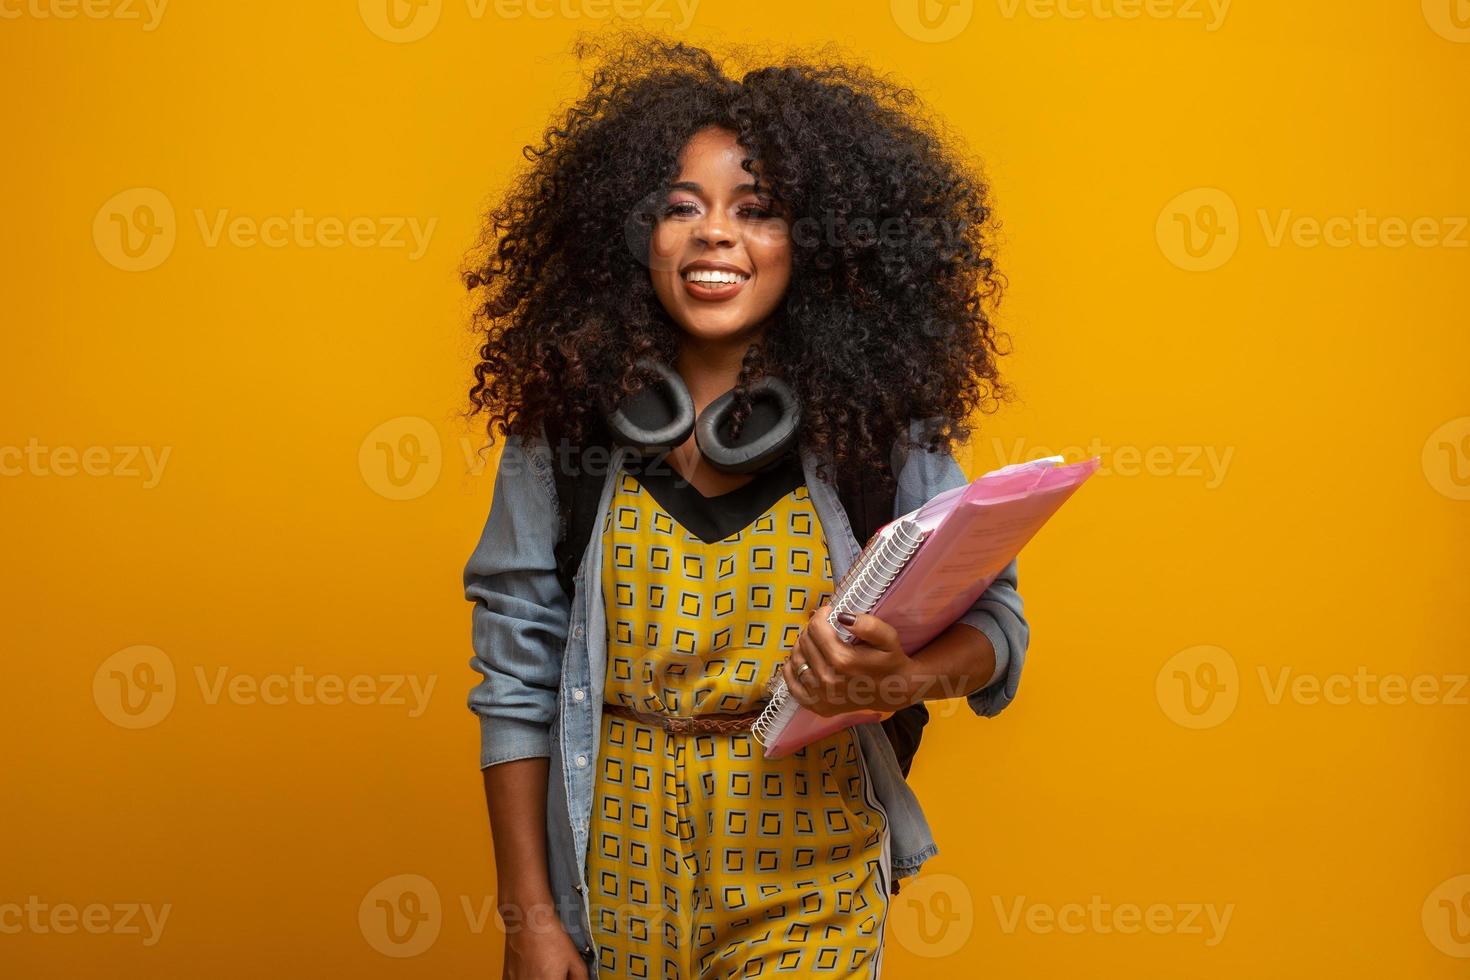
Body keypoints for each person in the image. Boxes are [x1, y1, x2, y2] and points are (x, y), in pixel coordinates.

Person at [461, 34, 1029, 979]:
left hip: (813, 873)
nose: (714, 234)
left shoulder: (879, 426)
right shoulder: (564, 427)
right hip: (613, 878)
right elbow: (513, 676)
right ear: (630, 233)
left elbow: (998, 623)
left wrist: (900, 683)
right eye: (680, 207)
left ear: (817, 240)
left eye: (756, 210)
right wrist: (530, 917)